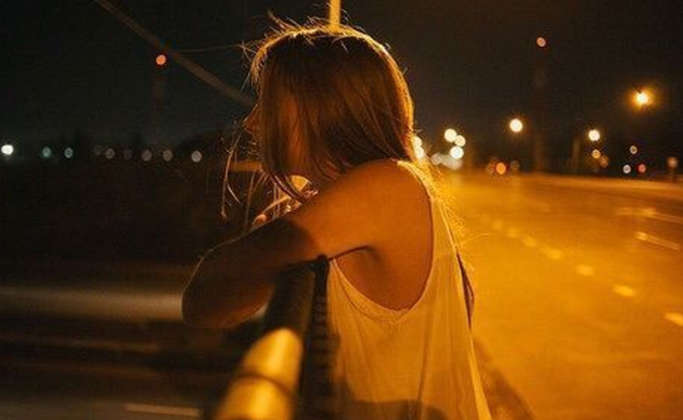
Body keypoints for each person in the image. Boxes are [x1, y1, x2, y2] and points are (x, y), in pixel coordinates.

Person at [182, 19, 492, 420]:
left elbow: (203, 297)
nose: (253, 122)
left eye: (269, 103)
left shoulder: (388, 186)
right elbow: (210, 309)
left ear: (320, 106)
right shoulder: (362, 197)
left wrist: (272, 238)